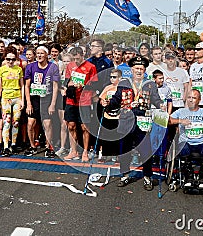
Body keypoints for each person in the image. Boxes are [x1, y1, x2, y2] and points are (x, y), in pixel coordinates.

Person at [103, 56, 165, 191]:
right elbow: (116, 99)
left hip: (143, 122)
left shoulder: (150, 84)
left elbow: (156, 99)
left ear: (145, 70)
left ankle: (147, 177)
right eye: (136, 68)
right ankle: (125, 174)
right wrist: (108, 104)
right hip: (125, 121)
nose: (138, 71)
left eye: (141, 68)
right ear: (131, 69)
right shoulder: (124, 82)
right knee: (124, 151)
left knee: (145, 151)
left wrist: (161, 105)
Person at [24, 45, 60, 158]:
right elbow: (27, 86)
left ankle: (49, 147)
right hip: (34, 98)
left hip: (47, 98)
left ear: (46, 55)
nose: (39, 55)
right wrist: (28, 103)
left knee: (48, 124)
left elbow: (55, 87)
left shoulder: (53, 67)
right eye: (38, 53)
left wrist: (53, 104)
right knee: (30, 123)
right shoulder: (30, 67)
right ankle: (32, 146)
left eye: (42, 53)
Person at [64, 47, 98, 161]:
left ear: (82, 55)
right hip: (72, 100)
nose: (76, 61)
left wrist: (83, 85)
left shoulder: (91, 67)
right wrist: (70, 84)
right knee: (71, 125)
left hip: (85, 100)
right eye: (74, 58)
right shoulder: (70, 66)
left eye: (78, 58)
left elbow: (95, 84)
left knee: (85, 127)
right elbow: (66, 81)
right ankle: (73, 151)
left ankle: (85, 152)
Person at [0, 46, 25, 157]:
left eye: (13, 59)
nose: (10, 61)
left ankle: (13, 144)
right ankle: (6, 146)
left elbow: (22, 85)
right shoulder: (1, 70)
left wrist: (22, 100)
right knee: (7, 122)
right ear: (5, 58)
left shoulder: (19, 69)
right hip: (6, 98)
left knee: (16, 122)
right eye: (8, 59)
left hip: (17, 97)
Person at [98, 68, 122, 162]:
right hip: (107, 115)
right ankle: (105, 154)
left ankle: (115, 155)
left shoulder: (121, 88)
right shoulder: (108, 87)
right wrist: (103, 102)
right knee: (106, 135)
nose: (112, 79)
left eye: (114, 77)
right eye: (111, 77)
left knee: (116, 136)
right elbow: (101, 99)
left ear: (120, 78)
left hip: (117, 115)